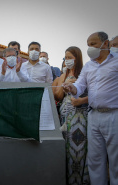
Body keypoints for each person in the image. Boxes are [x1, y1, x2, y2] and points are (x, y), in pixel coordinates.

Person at [63, 31, 118, 185]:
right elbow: (80, 85)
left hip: (114, 115)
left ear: (105, 44)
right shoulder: (88, 66)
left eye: (93, 44)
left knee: (115, 160)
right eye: (88, 45)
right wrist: (72, 88)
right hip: (94, 116)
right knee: (95, 159)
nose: (90, 48)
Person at [52, 46, 89, 184]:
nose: (67, 60)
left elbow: (91, 94)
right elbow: (59, 96)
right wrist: (64, 83)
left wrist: (75, 85)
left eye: (70, 57)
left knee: (78, 151)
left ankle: (79, 180)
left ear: (77, 58)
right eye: (65, 58)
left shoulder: (84, 73)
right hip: (65, 118)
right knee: (65, 151)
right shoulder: (63, 75)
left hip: (80, 117)